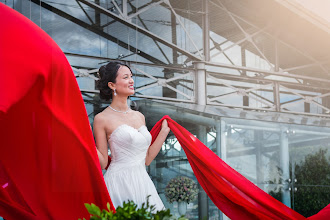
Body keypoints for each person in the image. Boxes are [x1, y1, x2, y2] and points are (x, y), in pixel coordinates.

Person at [93, 61, 170, 211]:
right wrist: (84, 139)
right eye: (126, 77)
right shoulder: (101, 119)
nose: (131, 81)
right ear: (112, 85)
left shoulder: (139, 116)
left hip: (142, 182)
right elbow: (102, 163)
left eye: (131, 76)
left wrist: (163, 133)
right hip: (119, 182)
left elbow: (146, 159)